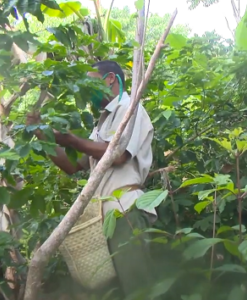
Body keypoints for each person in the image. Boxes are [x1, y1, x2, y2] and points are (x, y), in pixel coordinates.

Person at [26, 60, 156, 298]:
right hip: (102, 220)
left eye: (90, 81)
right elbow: (73, 165)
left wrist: (71, 140)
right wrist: (43, 136)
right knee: (112, 291)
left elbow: (118, 155)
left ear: (110, 79)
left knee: (139, 288)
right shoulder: (103, 122)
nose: (86, 88)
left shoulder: (131, 109)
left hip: (125, 210)